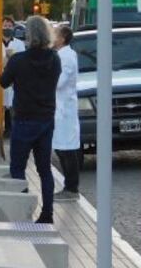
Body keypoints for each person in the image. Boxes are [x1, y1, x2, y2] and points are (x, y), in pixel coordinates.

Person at [0, 15, 61, 224]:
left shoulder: (18, 60)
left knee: (18, 167)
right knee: (44, 169)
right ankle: (47, 213)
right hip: (46, 119)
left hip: (24, 118)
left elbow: (3, 82)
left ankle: (23, 210)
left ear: (28, 34)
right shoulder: (55, 59)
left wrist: (8, 62)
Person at [52, 26, 81, 201]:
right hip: (60, 108)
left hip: (64, 110)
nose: (52, 37)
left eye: (55, 34)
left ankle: (71, 188)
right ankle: (69, 186)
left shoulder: (67, 57)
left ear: (62, 38)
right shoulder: (61, 55)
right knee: (61, 148)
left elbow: (59, 82)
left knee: (67, 150)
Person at [0, 16, 26, 134]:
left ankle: (11, 129)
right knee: (2, 103)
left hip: (14, 77)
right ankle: (2, 128)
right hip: (1, 75)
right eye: (5, 26)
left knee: (12, 104)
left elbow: (23, 60)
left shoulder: (19, 43)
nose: (7, 28)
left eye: (10, 26)